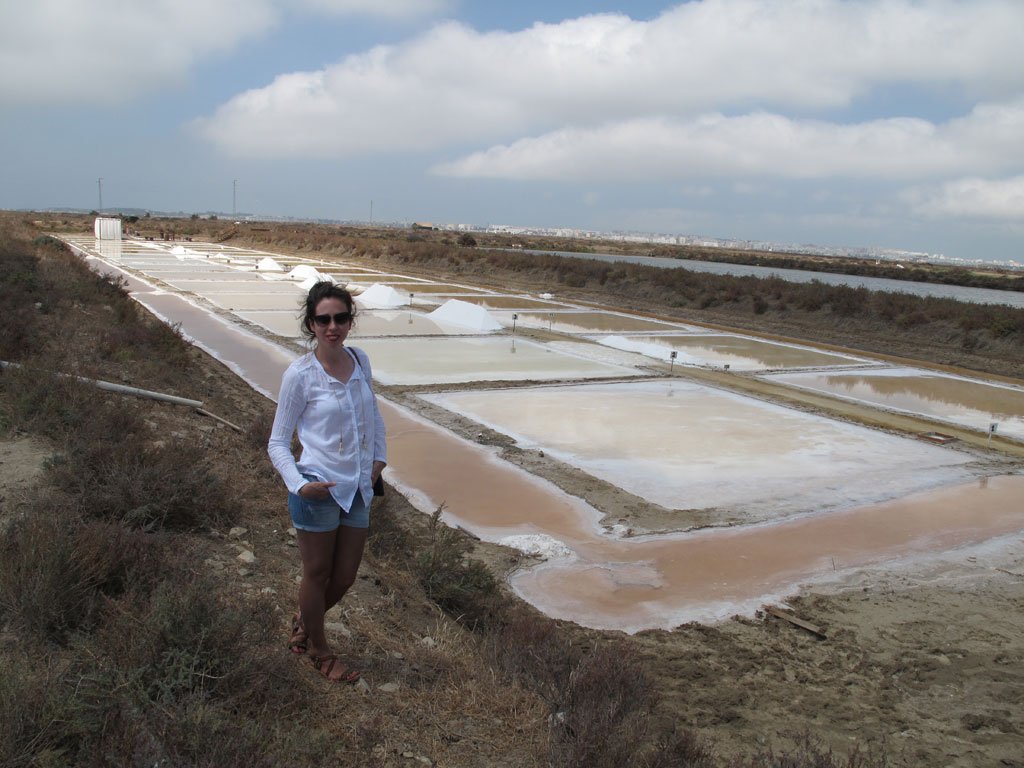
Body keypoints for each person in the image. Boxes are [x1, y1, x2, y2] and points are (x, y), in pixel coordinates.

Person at [268, 281, 386, 684]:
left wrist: (380, 458)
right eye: (323, 319)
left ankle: (304, 623)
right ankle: (319, 650)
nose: (332, 326)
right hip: (317, 489)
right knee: (317, 574)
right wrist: (299, 484)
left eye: (340, 318)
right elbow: (278, 442)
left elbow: (373, 413)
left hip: (357, 490)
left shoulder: (360, 361)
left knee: (346, 576)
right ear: (311, 324)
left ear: (351, 322)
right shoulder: (300, 375)